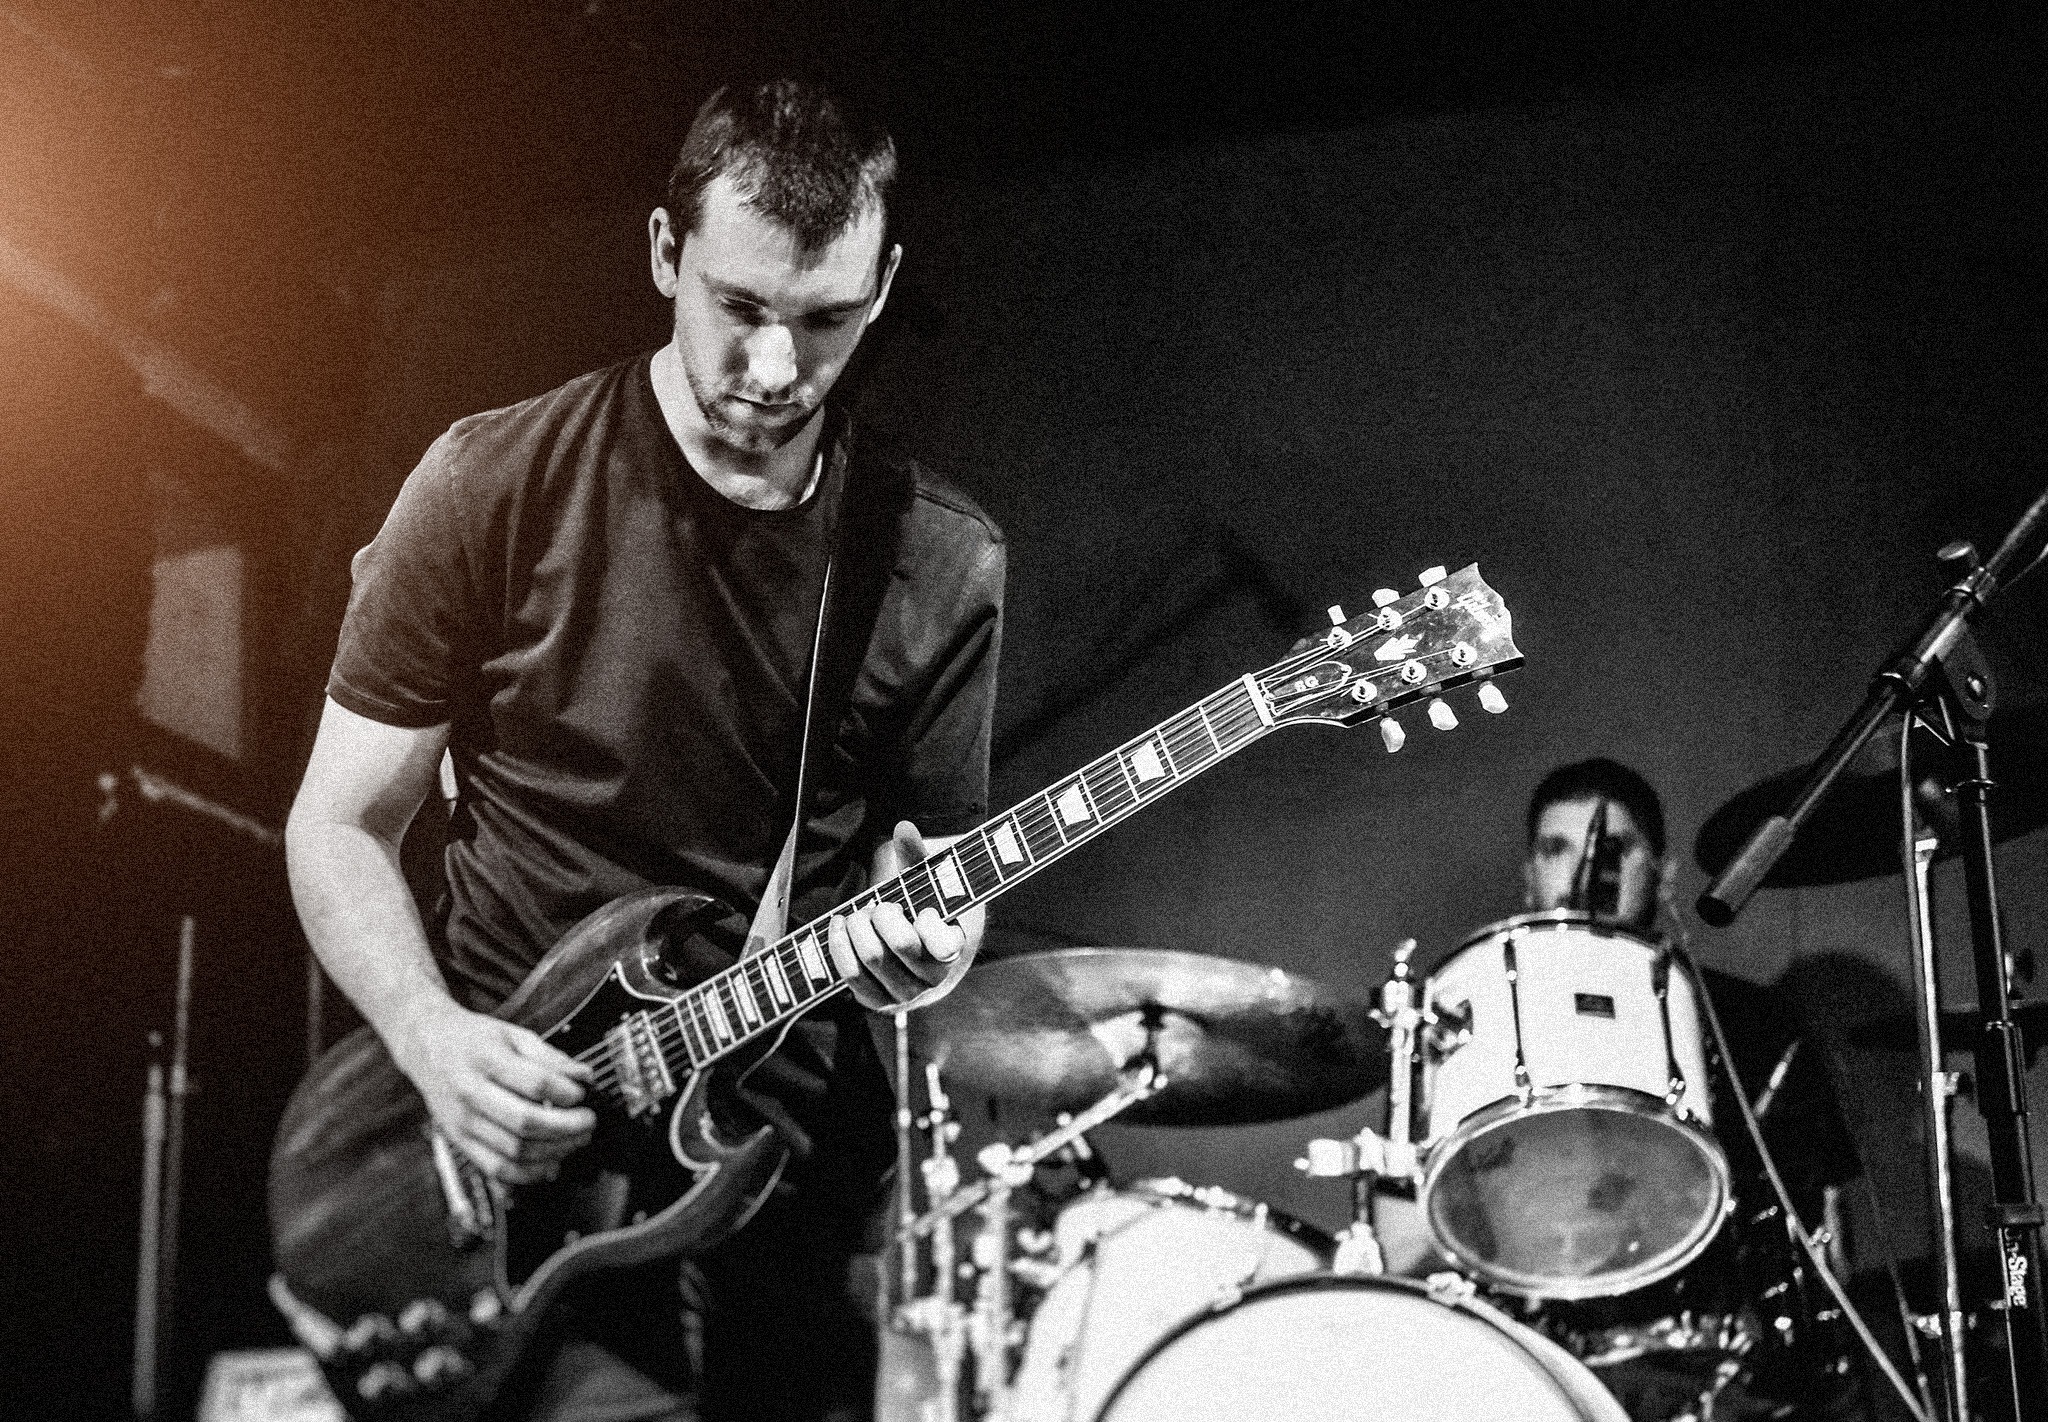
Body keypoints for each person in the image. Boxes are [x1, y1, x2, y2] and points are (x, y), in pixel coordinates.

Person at [284, 79, 1005, 1422]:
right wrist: (433, 1039)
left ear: (884, 288)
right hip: (509, 1146)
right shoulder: (491, 484)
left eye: (827, 319)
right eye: (740, 306)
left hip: (775, 1178)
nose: (776, 369)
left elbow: (932, 882)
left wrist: (931, 943)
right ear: (667, 252)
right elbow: (338, 823)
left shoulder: (936, 560)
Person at [1502, 758, 1870, 1420]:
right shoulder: (1482, 1026)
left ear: (1664, 874)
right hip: (1531, 1373)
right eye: (1558, 850)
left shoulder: (1751, 1025)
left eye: (1614, 849)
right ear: (1529, 876)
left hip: (1726, 1377)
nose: (1588, 872)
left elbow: (1824, 1235)